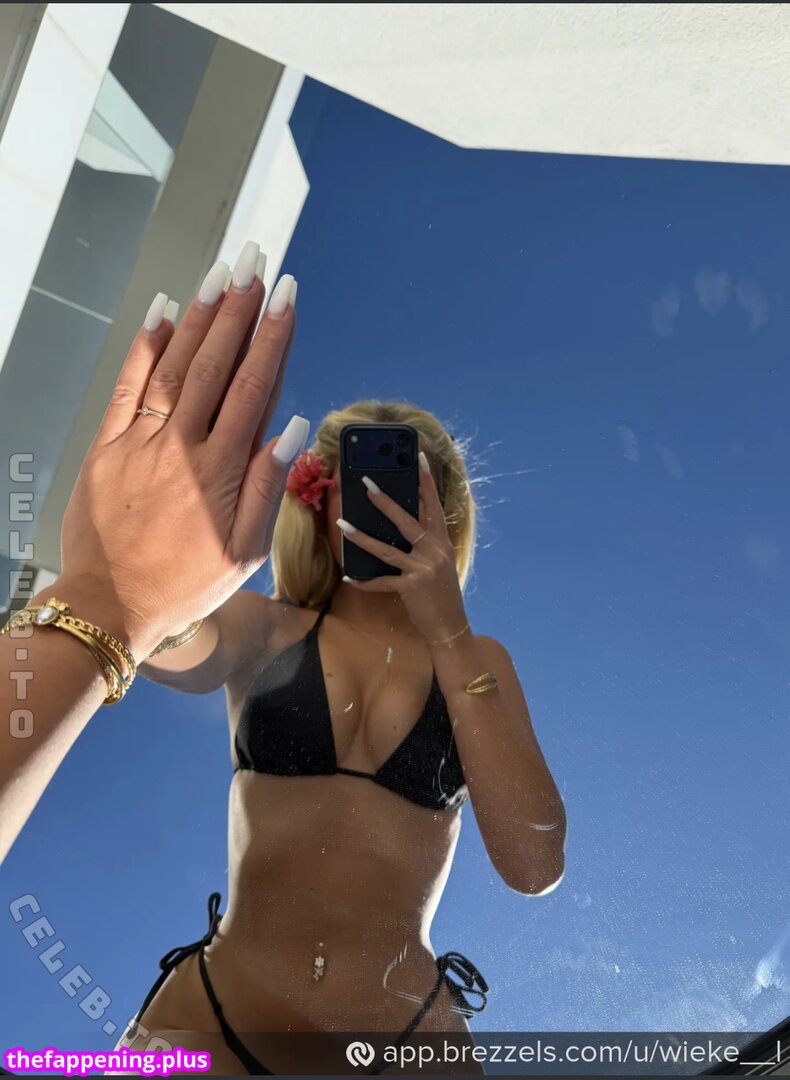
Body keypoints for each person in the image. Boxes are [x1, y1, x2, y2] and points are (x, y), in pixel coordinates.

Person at [0, 241, 566, 1076]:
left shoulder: (478, 660)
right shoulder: (263, 629)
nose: (381, 507)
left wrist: (448, 634)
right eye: (359, 483)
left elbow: (533, 864)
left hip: (407, 1045)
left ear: (446, 512)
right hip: (211, 1025)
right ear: (317, 498)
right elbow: (157, 639)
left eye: (407, 487)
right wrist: (120, 579)